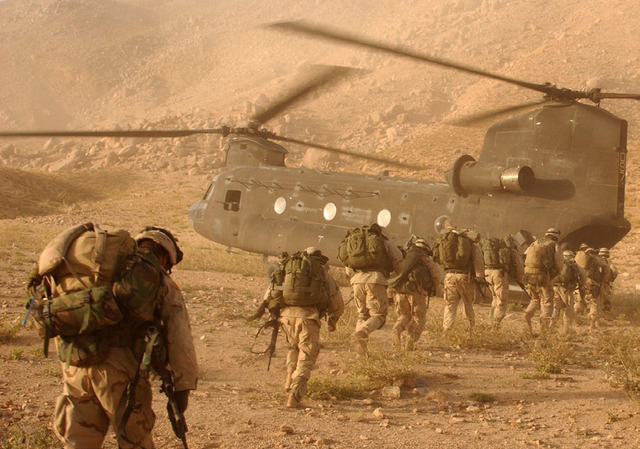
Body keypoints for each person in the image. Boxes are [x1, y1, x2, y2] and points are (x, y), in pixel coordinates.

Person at [52, 226, 198, 448]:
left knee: (78, 443)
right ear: (163, 255)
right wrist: (182, 388)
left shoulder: (97, 272)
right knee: (135, 440)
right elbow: (180, 338)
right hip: (120, 375)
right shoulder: (155, 280)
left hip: (76, 365)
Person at [275, 247, 344, 408]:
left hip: (286, 318)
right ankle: (294, 396)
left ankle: (288, 380)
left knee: (293, 347)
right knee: (306, 356)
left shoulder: (289, 269)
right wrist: (333, 321)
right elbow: (337, 302)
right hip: (308, 319)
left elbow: (273, 291)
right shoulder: (321, 274)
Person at [344, 224, 403, 356]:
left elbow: (348, 267)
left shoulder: (355, 243)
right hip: (375, 280)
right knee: (378, 315)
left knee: (362, 314)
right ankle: (363, 331)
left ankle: (360, 351)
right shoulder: (386, 243)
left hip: (356, 280)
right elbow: (399, 265)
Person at [389, 238, 443, 350]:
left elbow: (394, 275)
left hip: (400, 292)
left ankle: (397, 328)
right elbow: (436, 276)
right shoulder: (425, 259)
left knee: (404, 316)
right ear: (426, 248)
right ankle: (410, 342)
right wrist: (433, 289)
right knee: (419, 318)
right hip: (417, 292)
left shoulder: (405, 256)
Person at [433, 226, 485, 336]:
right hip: (464, 277)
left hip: (449, 276)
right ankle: (470, 331)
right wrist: (480, 276)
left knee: (450, 305)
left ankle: (447, 330)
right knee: (468, 304)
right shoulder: (470, 244)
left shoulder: (446, 242)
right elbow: (478, 260)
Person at [522, 228, 563, 334]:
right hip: (543, 277)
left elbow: (524, 256)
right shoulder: (554, 246)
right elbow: (559, 264)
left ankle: (526, 315)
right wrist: (555, 275)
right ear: (556, 237)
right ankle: (543, 331)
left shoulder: (534, 243)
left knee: (535, 299)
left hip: (529, 276)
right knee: (547, 302)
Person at [483, 235, 524, 330]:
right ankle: (495, 326)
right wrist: (520, 280)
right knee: (502, 301)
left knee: (495, 298)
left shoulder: (492, 249)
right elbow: (519, 266)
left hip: (488, 273)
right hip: (499, 275)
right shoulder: (511, 251)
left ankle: (490, 321)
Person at [575, 244, 608, 330]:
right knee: (594, 303)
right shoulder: (594, 259)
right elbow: (605, 266)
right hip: (593, 284)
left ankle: (572, 320)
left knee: (580, 302)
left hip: (581, 283)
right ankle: (592, 325)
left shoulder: (579, 259)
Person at [550, 250, 585, 333]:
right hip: (566, 289)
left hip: (555, 287)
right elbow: (583, 274)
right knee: (569, 308)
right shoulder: (573, 265)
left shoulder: (557, 263)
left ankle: (551, 325)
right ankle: (567, 328)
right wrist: (582, 285)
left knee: (556, 306)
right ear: (572, 256)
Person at [599, 247, 618, 318]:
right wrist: (611, 279)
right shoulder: (609, 262)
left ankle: (597, 317)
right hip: (606, 283)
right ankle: (606, 316)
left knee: (597, 300)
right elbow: (615, 272)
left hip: (597, 284)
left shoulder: (597, 262)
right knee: (606, 300)